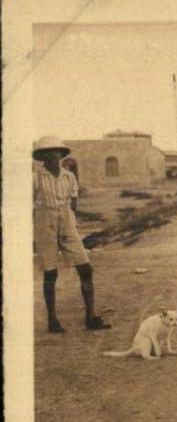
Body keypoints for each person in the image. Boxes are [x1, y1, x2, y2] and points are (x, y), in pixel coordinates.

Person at [33, 135, 112, 333]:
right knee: (51, 272)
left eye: (56, 151)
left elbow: (74, 203)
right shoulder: (36, 177)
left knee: (85, 268)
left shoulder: (69, 176)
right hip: (45, 222)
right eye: (47, 152)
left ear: (61, 154)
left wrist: (69, 223)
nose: (53, 155)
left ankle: (91, 318)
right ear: (42, 157)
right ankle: (53, 321)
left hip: (67, 221)